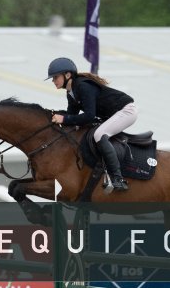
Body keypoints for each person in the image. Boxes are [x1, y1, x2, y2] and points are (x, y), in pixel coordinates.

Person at [46, 57, 136, 191]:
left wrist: (63, 119)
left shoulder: (83, 86)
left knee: (99, 134)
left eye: (55, 77)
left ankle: (118, 179)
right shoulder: (71, 93)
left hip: (126, 111)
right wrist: (52, 116)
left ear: (67, 75)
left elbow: (89, 116)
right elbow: (72, 116)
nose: (53, 81)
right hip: (113, 114)